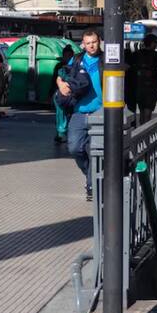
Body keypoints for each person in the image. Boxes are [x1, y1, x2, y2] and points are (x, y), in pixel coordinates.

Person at [56, 30, 104, 201]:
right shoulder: (76, 59)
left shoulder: (106, 60)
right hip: (79, 111)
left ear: (100, 42)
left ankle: (91, 186)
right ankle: (89, 175)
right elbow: (61, 74)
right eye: (88, 43)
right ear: (83, 44)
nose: (91, 45)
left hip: (100, 113)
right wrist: (61, 84)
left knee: (94, 151)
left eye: (94, 42)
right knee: (75, 148)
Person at [129, 34, 157, 124]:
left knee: (142, 110)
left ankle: (141, 129)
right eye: (156, 43)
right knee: (148, 112)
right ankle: (145, 129)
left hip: (138, 86)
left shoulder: (136, 54)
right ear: (152, 43)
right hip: (151, 87)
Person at [51, 44, 76, 144]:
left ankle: (64, 133)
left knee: (67, 114)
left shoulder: (75, 65)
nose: (68, 57)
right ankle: (60, 133)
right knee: (60, 114)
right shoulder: (59, 67)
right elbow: (54, 81)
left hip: (71, 94)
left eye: (69, 55)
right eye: (66, 55)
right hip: (60, 95)